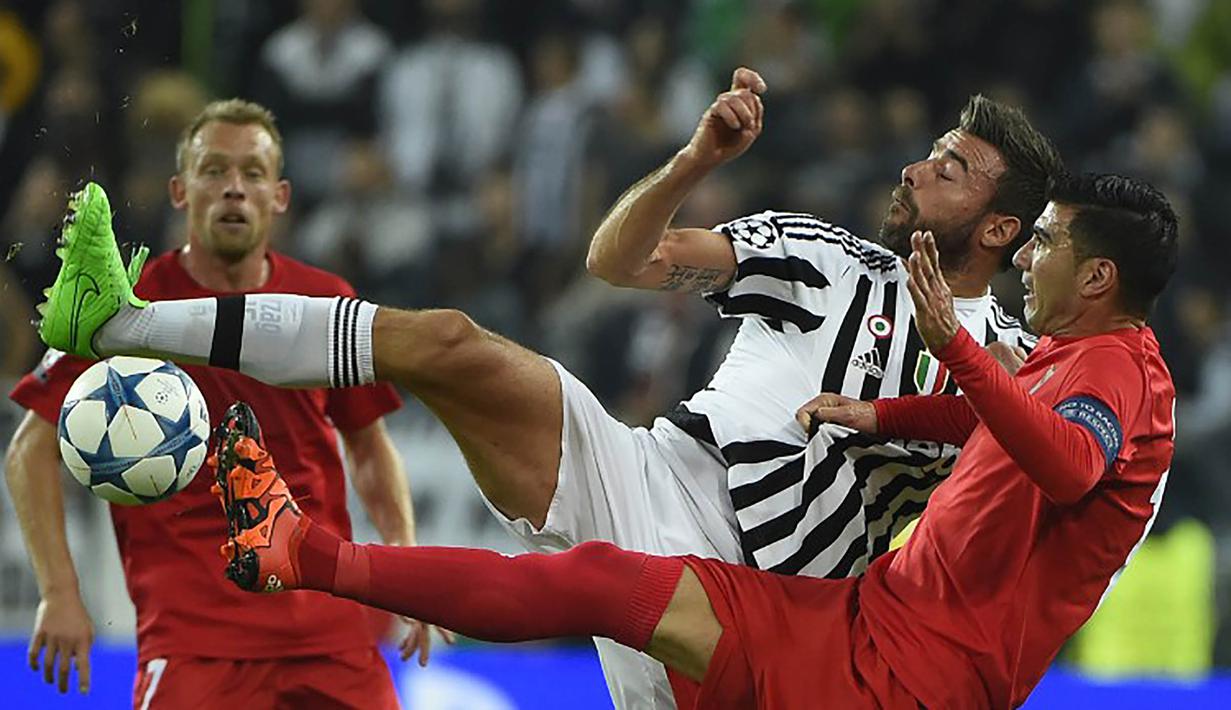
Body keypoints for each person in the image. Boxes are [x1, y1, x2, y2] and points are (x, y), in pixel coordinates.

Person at [35, 67, 1061, 708]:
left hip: (766, 607)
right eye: (932, 151)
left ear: (1002, 227)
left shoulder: (1015, 367)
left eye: (954, 168)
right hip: (651, 469)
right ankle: (120, 319)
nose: (921, 168)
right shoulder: (818, 254)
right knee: (448, 340)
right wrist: (693, 158)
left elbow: (1035, 486)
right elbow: (618, 260)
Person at [205, 171, 1178, 709]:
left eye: (1050, 242)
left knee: (603, 583)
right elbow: (993, 428)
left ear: (1096, 278)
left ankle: (305, 552)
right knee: (600, 579)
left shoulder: (1117, 376)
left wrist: (955, 350)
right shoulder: (1070, 353)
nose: (1031, 255)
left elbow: (1067, 462)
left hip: (911, 683)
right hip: (860, 620)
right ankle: (297, 549)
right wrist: (880, 414)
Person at [6, 99, 447, 709]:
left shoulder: (327, 303)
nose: (233, 189)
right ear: (180, 190)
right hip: (194, 644)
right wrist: (59, 591)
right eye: (213, 171)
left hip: (330, 637)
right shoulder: (127, 311)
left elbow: (368, 446)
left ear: (281, 196)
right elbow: (29, 449)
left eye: (253, 173)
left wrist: (404, 560)